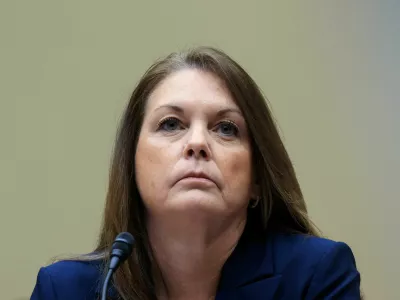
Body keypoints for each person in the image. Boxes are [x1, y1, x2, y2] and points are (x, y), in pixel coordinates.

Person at [31, 46, 361, 300]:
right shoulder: (64, 290)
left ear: (257, 180)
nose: (198, 142)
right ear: (131, 166)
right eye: (171, 124)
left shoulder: (315, 276)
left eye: (226, 129)